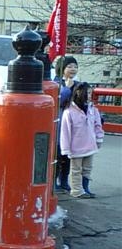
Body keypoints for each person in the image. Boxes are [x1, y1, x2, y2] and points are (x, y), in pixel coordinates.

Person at [60, 82, 104, 198]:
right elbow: (65, 132)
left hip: (90, 145)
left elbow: (98, 125)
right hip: (76, 147)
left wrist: (99, 138)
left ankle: (85, 189)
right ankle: (77, 190)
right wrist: (66, 149)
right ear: (79, 93)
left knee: (87, 168)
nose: (90, 95)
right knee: (76, 170)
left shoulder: (92, 109)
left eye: (90, 93)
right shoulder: (69, 111)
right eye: (87, 93)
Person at [53, 56, 79, 191]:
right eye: (69, 66)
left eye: (75, 66)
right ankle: (54, 180)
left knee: (69, 153)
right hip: (60, 122)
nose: (73, 69)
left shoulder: (78, 84)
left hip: (73, 123)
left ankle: (64, 180)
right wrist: (67, 88)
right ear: (62, 68)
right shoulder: (56, 83)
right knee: (58, 153)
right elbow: (58, 101)